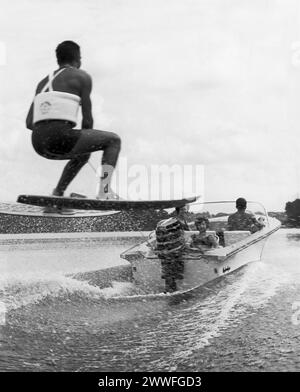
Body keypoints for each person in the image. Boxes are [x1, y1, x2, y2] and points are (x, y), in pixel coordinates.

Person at [26, 41, 121, 207]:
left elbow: (29, 122)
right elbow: (87, 120)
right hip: (59, 137)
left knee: (82, 155)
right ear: (78, 58)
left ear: (58, 59)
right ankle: (105, 191)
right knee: (113, 140)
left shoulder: (42, 83)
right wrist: (87, 141)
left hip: (38, 143)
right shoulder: (81, 76)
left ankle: (57, 194)